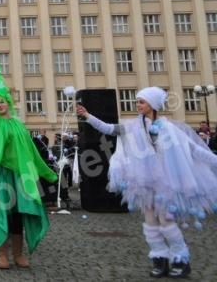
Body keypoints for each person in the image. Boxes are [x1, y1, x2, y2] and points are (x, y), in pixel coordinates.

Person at [76, 87, 217, 278]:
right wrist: (88, 116)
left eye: (142, 102)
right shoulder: (133, 126)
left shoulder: (168, 128)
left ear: (153, 104)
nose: (138, 105)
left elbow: (192, 149)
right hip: (145, 183)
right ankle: (159, 260)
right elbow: (109, 129)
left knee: (165, 220)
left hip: (165, 183)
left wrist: (214, 160)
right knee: (150, 221)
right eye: (137, 101)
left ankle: (181, 260)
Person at [0, 50, 57, 270]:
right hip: (2, 175)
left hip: (21, 177)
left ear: (7, 101)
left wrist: (46, 172)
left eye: (2, 101)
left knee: (19, 216)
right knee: (2, 214)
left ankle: (18, 254)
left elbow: (31, 152)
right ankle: (2, 255)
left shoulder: (18, 125)